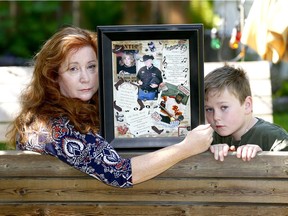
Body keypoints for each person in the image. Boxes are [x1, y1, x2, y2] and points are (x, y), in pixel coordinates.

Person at [6, 26, 213, 188]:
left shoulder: (78, 114)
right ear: (53, 76)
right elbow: (121, 173)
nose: (85, 78)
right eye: (73, 69)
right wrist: (185, 147)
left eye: (91, 66)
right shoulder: (55, 128)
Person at [204, 64, 288, 162]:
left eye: (224, 107)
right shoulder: (212, 138)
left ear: (247, 105)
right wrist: (210, 151)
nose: (216, 117)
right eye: (209, 109)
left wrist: (263, 155)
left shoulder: (273, 138)